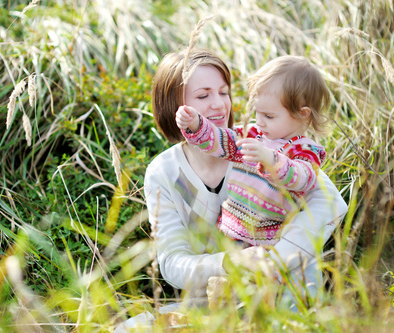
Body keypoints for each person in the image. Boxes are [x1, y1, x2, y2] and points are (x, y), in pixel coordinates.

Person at [115, 49, 348, 331]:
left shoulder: (261, 147)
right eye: (203, 96)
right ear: (174, 106)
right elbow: (172, 263)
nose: (218, 105)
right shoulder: (166, 172)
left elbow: (329, 202)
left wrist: (272, 262)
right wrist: (230, 262)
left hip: (283, 297)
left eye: (224, 92)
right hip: (216, 301)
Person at [175, 55, 330, 251]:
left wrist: (270, 159)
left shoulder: (305, 150)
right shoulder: (252, 135)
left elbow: (303, 178)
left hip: (266, 243)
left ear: (302, 113)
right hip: (228, 230)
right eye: (257, 113)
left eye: (269, 116)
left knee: (254, 279)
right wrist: (196, 124)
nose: (260, 121)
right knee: (223, 275)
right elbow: (220, 141)